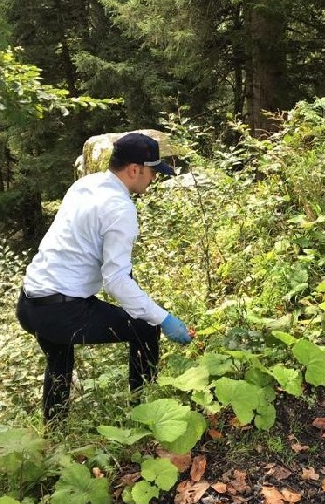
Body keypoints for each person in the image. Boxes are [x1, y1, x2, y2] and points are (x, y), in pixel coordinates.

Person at [17, 132, 193, 420]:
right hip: (61, 311)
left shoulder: (86, 185)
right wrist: (163, 318)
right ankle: (145, 414)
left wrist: (138, 299)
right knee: (145, 328)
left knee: (59, 362)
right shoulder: (120, 208)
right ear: (134, 170)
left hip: (29, 302)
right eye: (152, 172)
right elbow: (115, 280)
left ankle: (53, 431)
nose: (154, 178)